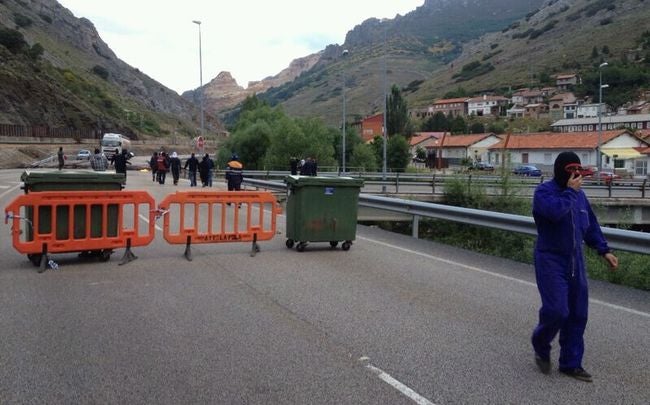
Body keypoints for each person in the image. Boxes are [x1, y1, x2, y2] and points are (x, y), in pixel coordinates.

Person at [531, 151, 618, 383]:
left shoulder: (580, 196)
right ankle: (541, 343)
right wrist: (570, 192)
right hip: (550, 258)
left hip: (575, 260)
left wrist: (604, 250)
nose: (575, 174)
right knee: (557, 310)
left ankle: (570, 363)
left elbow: (590, 226)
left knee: (578, 314)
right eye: (570, 170)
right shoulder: (544, 193)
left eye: (577, 170)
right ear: (560, 171)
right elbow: (554, 213)